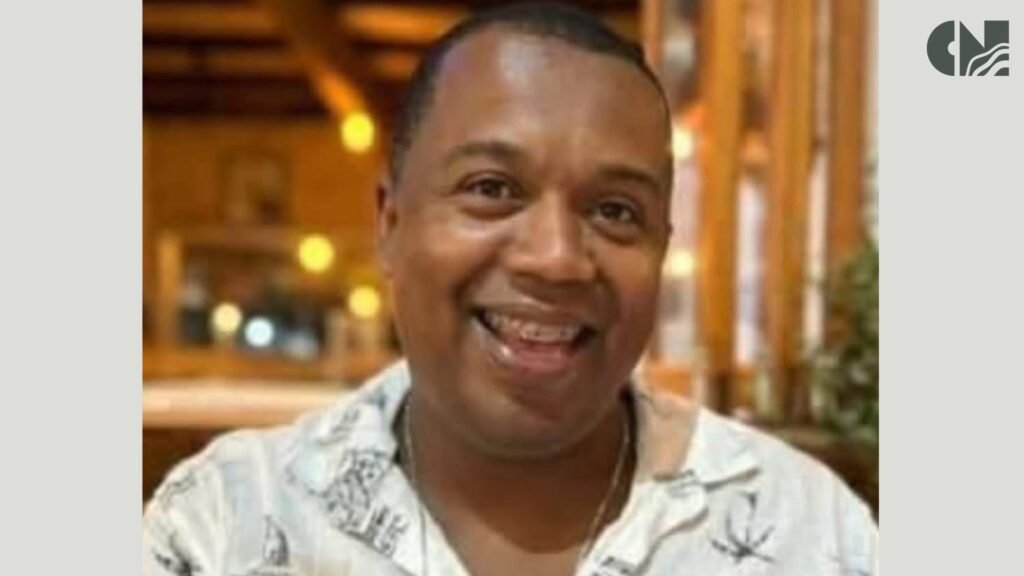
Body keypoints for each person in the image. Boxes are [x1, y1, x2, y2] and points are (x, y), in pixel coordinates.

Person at [143, 3, 879, 575]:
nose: (556, 259)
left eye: (615, 210)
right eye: (492, 189)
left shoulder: (808, 532)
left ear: (661, 246)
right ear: (391, 224)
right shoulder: (224, 523)